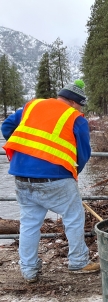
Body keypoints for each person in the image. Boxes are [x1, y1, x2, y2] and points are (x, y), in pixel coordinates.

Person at [1, 79, 99, 283]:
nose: (81, 109)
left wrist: (26, 150)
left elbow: (7, 127)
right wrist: (73, 173)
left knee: (29, 223)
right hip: (56, 177)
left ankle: (28, 270)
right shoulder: (75, 117)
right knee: (73, 217)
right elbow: (83, 153)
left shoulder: (32, 106)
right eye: (81, 105)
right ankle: (78, 261)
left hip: (21, 176)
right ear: (73, 102)